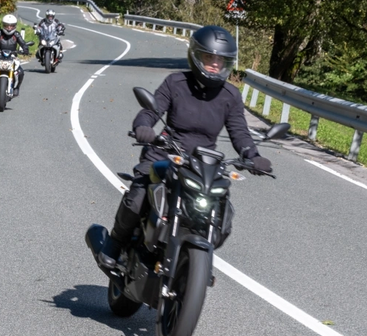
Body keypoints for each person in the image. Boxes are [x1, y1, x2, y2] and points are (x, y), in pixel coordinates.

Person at [97, 25, 272, 269]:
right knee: (138, 196)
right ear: (196, 56)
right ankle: (115, 243)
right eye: (209, 57)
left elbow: (240, 132)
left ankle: (188, 262)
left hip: (203, 165)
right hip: (166, 153)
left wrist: (253, 156)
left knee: (221, 212)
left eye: (220, 60)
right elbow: (151, 110)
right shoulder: (176, 83)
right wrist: (144, 127)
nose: (214, 64)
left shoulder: (230, 95)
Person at [0, 14, 29, 97]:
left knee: (21, 72)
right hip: (0, 55)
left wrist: (25, 49)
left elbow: (23, 43)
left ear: (14, 26)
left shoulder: (16, 34)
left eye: (11, 26)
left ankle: (16, 88)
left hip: (12, 56)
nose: (9, 28)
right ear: (3, 25)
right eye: (6, 25)